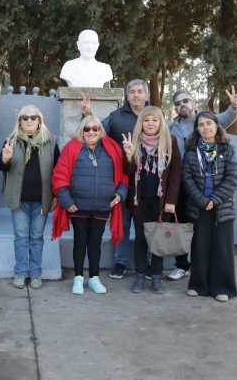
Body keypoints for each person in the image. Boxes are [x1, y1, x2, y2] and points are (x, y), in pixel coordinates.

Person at [166, 86, 237, 282]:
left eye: (185, 100)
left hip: (205, 186)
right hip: (181, 183)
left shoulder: (205, 120)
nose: (182, 105)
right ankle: (182, 265)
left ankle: (212, 275)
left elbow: (226, 118)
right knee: (180, 224)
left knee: (205, 231)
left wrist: (234, 106)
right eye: (177, 103)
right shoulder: (170, 127)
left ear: (193, 103)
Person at [80, 79, 149, 280]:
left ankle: (149, 263)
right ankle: (120, 262)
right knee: (123, 223)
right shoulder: (116, 117)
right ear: (127, 96)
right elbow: (96, 133)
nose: (136, 95)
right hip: (124, 179)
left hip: (149, 181)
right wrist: (87, 115)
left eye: (139, 92)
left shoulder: (153, 115)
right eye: (132, 92)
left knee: (147, 224)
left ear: (145, 95)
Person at [52, 115, 128, 295]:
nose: (92, 132)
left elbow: (123, 176)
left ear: (101, 131)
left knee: (95, 244)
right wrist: (66, 201)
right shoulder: (72, 148)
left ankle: (94, 278)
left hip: (103, 205)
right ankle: (78, 278)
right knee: (80, 242)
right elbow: (59, 176)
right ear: (81, 131)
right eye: (87, 129)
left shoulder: (112, 149)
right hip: (77, 205)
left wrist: (120, 194)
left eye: (95, 128)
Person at [0, 106, 60, 290]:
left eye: (33, 117)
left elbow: (58, 170)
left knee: (37, 237)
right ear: (20, 122)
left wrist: (56, 194)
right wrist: (5, 158)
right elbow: (0, 165)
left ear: (39, 120)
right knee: (21, 237)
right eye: (25, 117)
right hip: (19, 200)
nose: (29, 120)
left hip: (42, 199)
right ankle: (21, 273)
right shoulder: (12, 141)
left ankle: (36, 274)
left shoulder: (51, 141)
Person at [181, 111, 237, 302]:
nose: (205, 127)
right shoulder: (191, 151)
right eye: (201, 125)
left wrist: (214, 200)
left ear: (216, 126)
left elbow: (233, 178)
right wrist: (201, 200)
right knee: (200, 247)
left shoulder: (228, 150)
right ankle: (198, 285)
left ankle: (222, 287)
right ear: (197, 129)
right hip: (198, 207)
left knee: (222, 249)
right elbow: (187, 178)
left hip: (221, 208)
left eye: (209, 123)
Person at [123, 106, 182, 294]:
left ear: (160, 122)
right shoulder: (134, 141)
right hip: (139, 200)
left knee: (158, 240)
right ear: (141, 122)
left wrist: (171, 201)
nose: (150, 124)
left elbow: (175, 174)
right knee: (140, 238)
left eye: (154, 120)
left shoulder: (170, 141)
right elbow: (128, 172)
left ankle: (156, 277)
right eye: (146, 120)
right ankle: (140, 276)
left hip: (161, 202)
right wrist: (129, 155)